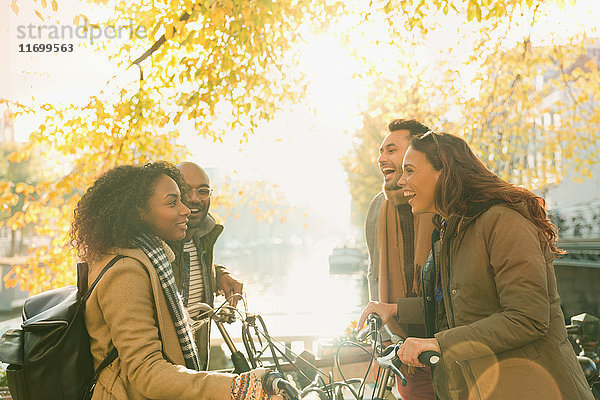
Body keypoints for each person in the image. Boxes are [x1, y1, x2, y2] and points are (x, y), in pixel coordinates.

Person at [359, 132, 594, 399]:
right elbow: (458, 302)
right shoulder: (450, 229)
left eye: (410, 171)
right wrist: (395, 308)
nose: (402, 181)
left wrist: (440, 343)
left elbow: (528, 318)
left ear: (444, 172)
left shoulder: (504, 222)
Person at [71, 162, 279, 400]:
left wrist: (219, 275)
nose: (186, 209)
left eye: (197, 193)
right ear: (138, 211)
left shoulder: (145, 256)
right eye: (173, 202)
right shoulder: (126, 272)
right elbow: (146, 372)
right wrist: (237, 387)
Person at [363, 119, 436, 399]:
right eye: (381, 151)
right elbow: (375, 274)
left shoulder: (443, 203)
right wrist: (384, 338)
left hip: (448, 347)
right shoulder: (377, 208)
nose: (381, 158)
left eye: (391, 150)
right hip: (405, 353)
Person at [167, 161, 243, 370]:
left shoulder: (200, 240)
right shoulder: (159, 247)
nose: (194, 198)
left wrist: (219, 275)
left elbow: (190, 266)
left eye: (203, 191)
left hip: (195, 371)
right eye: (184, 190)